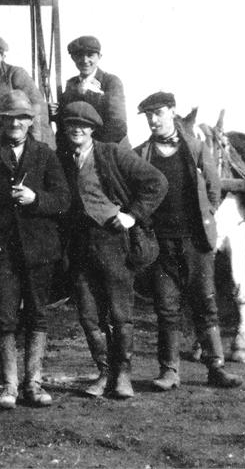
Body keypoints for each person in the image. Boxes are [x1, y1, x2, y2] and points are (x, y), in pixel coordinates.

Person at [133, 91, 243, 391]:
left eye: (159, 113)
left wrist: (203, 218)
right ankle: (169, 372)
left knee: (205, 304)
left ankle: (216, 368)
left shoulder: (194, 148)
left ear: (172, 112)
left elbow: (213, 189)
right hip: (160, 246)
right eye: (149, 116)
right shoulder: (141, 153)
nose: (154, 120)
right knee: (166, 309)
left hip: (195, 242)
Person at [59, 101, 167, 399]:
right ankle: (103, 371)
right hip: (80, 243)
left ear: (93, 129)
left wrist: (132, 214)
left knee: (120, 313)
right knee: (89, 313)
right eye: (71, 124)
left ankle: (122, 376)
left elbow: (156, 181)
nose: (77, 129)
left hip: (113, 240)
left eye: (83, 125)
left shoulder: (111, 153)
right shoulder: (63, 158)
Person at [0, 90, 71, 410]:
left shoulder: (45, 155)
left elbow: (63, 200)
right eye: (9, 118)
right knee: (4, 317)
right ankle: (8, 385)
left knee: (36, 315)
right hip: (3, 251)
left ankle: (33, 382)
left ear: (31, 122)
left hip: (39, 251)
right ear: (0, 122)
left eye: (22, 118)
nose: (15, 123)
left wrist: (36, 199)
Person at [59, 35, 127, 146]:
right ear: (73, 58)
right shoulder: (71, 84)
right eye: (79, 55)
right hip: (78, 149)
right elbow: (65, 123)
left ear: (99, 56)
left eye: (90, 55)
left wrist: (93, 148)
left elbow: (118, 126)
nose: (85, 60)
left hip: (108, 147)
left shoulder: (111, 82)